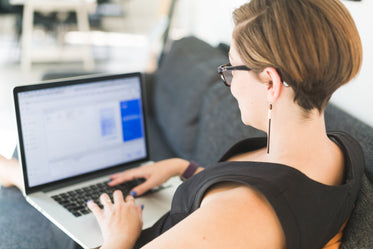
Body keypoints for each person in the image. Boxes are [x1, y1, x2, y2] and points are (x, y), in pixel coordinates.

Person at [0, 0, 365, 248]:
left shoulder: (242, 213)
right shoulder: (340, 147)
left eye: (230, 69)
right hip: (167, 210)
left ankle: (18, 175)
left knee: (30, 180)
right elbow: (274, 185)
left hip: (123, 236)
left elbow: (248, 209)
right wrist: (181, 167)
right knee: (30, 174)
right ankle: (18, 174)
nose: (230, 83)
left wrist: (119, 236)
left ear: (270, 82)